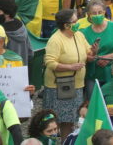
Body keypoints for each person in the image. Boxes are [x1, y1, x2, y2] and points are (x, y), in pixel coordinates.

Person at [44, 9, 95, 139]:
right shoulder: (55, 40)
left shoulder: (79, 35)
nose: (77, 23)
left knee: (72, 118)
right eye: (74, 21)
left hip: (76, 85)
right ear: (66, 25)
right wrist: (70, 67)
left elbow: (88, 53)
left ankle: (67, 141)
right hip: (59, 86)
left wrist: (93, 51)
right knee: (61, 120)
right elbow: (50, 63)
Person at [79, 0, 113, 97]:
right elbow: (81, 55)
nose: (97, 15)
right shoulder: (83, 32)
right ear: (89, 14)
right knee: (92, 103)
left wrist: (109, 57)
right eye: (94, 13)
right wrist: (91, 56)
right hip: (92, 74)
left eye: (100, 12)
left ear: (104, 12)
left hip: (112, 74)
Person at [0, 0, 34, 66]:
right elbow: (30, 53)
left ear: (7, 14)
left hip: (5, 72)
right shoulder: (21, 26)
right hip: (21, 70)